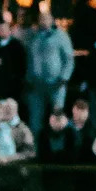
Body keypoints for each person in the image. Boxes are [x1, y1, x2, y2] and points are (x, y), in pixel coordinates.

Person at [24, 11, 74, 140]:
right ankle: (36, 149)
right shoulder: (33, 37)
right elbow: (29, 59)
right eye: (41, 19)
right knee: (36, 118)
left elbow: (68, 59)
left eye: (46, 19)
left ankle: (59, 146)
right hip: (36, 85)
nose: (43, 22)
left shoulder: (61, 36)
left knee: (57, 116)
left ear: (52, 20)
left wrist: (64, 78)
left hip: (56, 84)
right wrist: (29, 79)